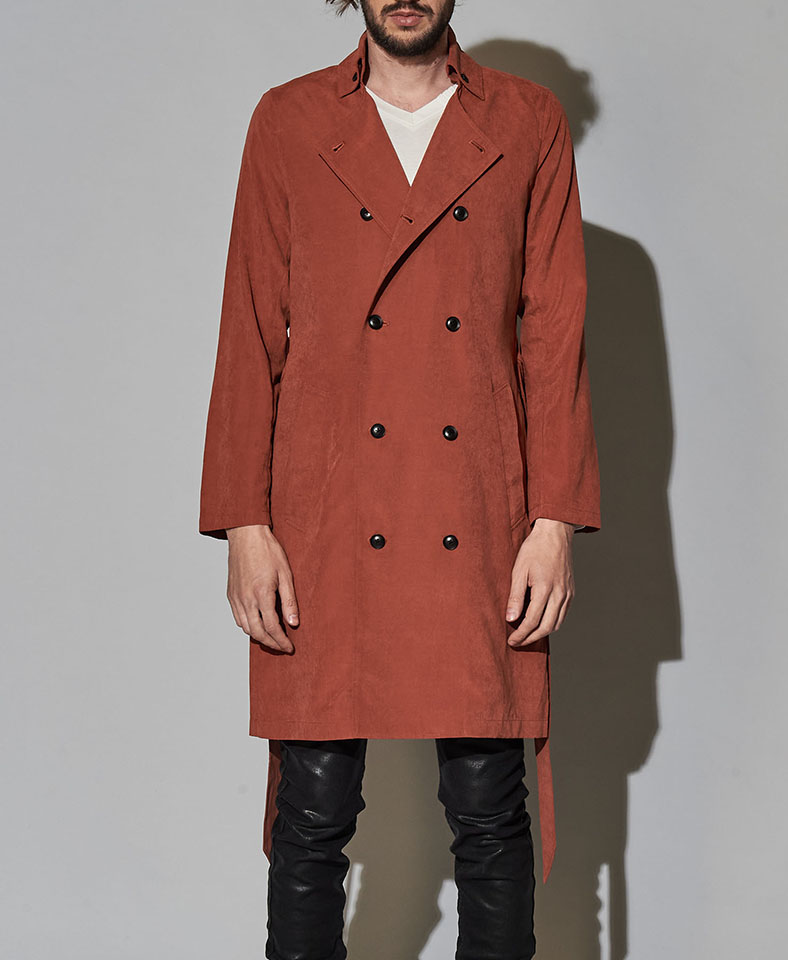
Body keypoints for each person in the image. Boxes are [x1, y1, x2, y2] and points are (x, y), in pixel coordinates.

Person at [199, 1, 602, 956]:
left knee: (490, 807)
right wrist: (244, 522)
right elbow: (248, 326)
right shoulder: (290, 118)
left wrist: (554, 521)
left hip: (477, 506)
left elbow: (555, 338)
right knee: (312, 813)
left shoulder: (527, 120)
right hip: (327, 508)